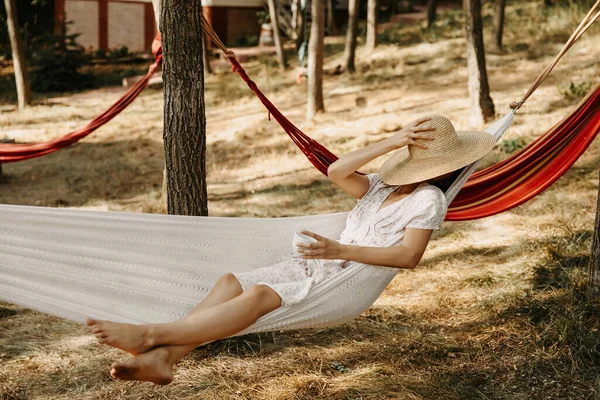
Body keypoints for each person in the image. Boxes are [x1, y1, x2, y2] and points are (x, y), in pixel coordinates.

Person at [86, 115, 496, 384]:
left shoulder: (428, 200)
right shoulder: (379, 187)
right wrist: (391, 142)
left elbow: (409, 257)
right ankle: (165, 359)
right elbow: (336, 171)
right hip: (320, 263)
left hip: (347, 279)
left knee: (262, 295)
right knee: (231, 281)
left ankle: (152, 335)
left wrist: (340, 249)